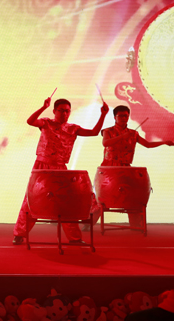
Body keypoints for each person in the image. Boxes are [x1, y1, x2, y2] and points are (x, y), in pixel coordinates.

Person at [12, 97, 109, 245]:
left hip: (60, 168)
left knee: (66, 202)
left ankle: (74, 238)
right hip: (42, 167)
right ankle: (19, 234)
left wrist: (103, 114)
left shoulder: (73, 128)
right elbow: (30, 121)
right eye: (61, 110)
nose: (64, 113)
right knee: (32, 200)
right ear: (54, 111)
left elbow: (94, 132)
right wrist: (43, 107)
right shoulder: (46, 123)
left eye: (67, 111)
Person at [94, 105, 174, 228]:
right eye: (120, 116)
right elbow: (105, 143)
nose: (123, 118)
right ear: (115, 117)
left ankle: (136, 225)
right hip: (109, 168)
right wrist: (122, 137)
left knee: (130, 195)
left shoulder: (133, 133)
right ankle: (90, 221)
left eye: (126, 116)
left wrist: (163, 142)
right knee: (102, 196)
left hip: (126, 168)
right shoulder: (107, 131)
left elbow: (147, 144)